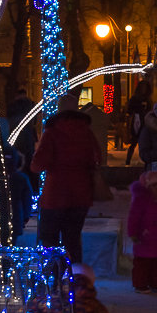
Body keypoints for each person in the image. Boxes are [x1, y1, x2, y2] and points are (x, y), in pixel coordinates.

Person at [31, 94, 102, 264]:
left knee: (50, 240)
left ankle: (54, 279)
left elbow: (38, 164)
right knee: (73, 239)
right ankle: (74, 278)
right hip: (81, 194)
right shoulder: (86, 131)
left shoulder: (52, 131)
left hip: (55, 195)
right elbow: (97, 157)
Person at [127, 170, 157, 293]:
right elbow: (133, 218)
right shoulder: (140, 201)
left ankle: (156, 283)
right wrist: (133, 233)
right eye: (154, 185)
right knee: (142, 263)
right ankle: (140, 284)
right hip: (144, 237)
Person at [7, 88, 38, 189]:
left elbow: (10, 119)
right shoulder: (31, 105)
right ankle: (32, 187)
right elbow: (34, 122)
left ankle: (19, 186)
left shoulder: (13, 106)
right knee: (29, 159)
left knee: (19, 160)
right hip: (28, 137)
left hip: (17, 138)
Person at [123, 80, 151, 165]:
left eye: (145, 88)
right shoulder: (135, 98)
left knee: (144, 142)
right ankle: (128, 160)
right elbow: (130, 110)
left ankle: (145, 161)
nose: (144, 89)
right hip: (137, 121)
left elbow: (150, 109)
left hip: (144, 121)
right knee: (134, 141)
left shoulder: (147, 99)